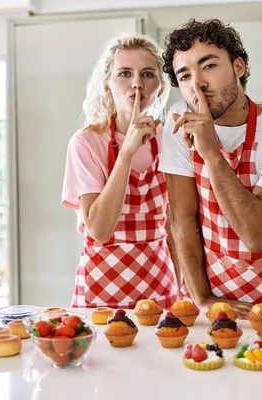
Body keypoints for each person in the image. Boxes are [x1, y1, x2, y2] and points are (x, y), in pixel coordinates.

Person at [159, 19, 262, 315]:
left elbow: (257, 235)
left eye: (209, 66)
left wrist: (211, 153)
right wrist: (203, 299)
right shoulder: (179, 119)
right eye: (185, 75)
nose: (198, 84)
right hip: (206, 296)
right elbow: (182, 219)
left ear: (238, 68)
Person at [61, 33, 180, 309]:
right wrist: (126, 151)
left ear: (160, 87)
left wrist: (184, 290)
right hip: (101, 292)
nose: (137, 83)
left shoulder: (169, 139)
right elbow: (100, 229)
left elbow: (177, 226)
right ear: (107, 85)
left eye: (147, 74)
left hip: (160, 287)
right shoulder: (86, 143)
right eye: (125, 73)